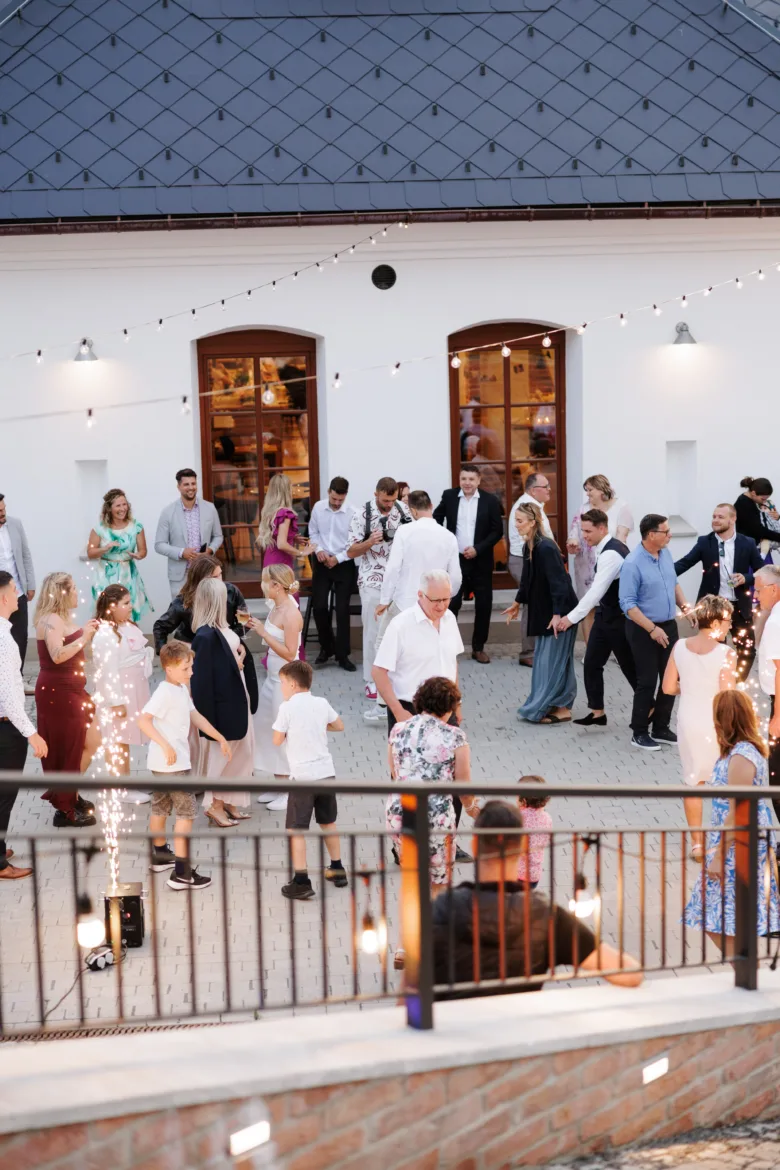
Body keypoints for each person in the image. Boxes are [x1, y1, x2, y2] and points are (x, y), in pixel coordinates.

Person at [432, 801, 642, 996]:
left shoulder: (441, 909)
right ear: (524, 845)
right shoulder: (545, 915)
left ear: (475, 845)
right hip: (519, 1021)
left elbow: (416, 988)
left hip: (456, 1021)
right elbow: (630, 973)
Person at [386, 677, 479, 964]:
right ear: (449, 707)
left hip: (401, 813)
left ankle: (404, 946)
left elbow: (395, 772)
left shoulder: (398, 729)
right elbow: (463, 785)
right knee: (439, 882)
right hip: (436, 816)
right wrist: (473, 809)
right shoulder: (455, 737)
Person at [683, 690, 780, 955]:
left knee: (714, 915)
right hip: (735, 842)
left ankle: (745, 968)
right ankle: (745, 968)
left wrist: (718, 857)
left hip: (739, 846)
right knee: (720, 916)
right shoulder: (739, 751)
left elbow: (738, 809)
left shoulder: (742, 756)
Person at [139, 640, 230, 891]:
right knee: (186, 814)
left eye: (191, 667)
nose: (191, 672)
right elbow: (143, 721)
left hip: (164, 765)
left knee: (160, 807)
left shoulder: (180, 688)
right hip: (172, 764)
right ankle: (182, 873)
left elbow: (195, 716)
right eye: (186, 668)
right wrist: (165, 745)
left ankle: (160, 855)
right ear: (169, 669)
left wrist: (220, 737)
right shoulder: (165, 692)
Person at [371, 489, 462, 723]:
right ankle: (439, 700)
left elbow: (393, 568)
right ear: (431, 506)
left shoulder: (405, 531)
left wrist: (384, 600)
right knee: (436, 652)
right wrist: (444, 600)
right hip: (435, 603)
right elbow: (456, 576)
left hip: (405, 602)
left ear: (411, 510)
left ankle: (384, 702)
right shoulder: (448, 536)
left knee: (386, 650)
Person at [662, 596, 736, 859]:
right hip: (717, 724)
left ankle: (697, 844)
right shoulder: (726, 654)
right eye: (727, 621)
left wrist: (689, 687)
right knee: (724, 782)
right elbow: (727, 696)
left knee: (693, 780)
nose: (730, 626)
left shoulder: (679, 646)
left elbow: (667, 687)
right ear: (715, 622)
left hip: (689, 720)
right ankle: (720, 841)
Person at [272, 659, 347, 900]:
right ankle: (337, 869)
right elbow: (339, 725)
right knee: (328, 822)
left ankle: (301, 880)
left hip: (302, 777)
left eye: (282, 683)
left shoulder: (287, 708)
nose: (281, 687)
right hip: (325, 773)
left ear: (293, 684)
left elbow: (276, 740)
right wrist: (319, 728)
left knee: (296, 829)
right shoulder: (321, 703)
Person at [619, 514, 695, 751]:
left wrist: (686, 608)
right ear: (651, 535)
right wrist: (652, 629)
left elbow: (673, 583)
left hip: (668, 626)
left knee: (671, 677)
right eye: (666, 531)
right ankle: (639, 732)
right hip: (643, 629)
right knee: (647, 680)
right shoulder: (632, 563)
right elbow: (627, 604)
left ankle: (661, 728)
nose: (670, 535)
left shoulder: (665, 554)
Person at [557, 509, 635, 727]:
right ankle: (597, 712)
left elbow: (595, 592)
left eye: (588, 531)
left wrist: (571, 618)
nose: (584, 536)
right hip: (604, 615)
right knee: (592, 662)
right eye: (582, 531)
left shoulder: (611, 553)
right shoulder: (606, 548)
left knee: (628, 665)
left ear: (602, 528)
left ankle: (650, 707)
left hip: (618, 617)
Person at [503, 503, 579, 724]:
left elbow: (560, 583)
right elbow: (527, 580)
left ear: (532, 522)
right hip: (546, 614)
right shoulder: (530, 546)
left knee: (553, 663)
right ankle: (557, 705)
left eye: (520, 521)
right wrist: (517, 602)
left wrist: (557, 615)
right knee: (551, 662)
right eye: (515, 520)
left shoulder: (546, 547)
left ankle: (557, 707)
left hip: (559, 615)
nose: (516, 525)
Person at [34, 572, 100, 827]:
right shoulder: (50, 619)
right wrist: (84, 637)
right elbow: (57, 655)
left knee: (92, 741)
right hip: (58, 694)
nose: (77, 592)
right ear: (61, 593)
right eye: (73, 589)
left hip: (75, 690)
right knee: (69, 747)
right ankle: (64, 809)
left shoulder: (62, 618)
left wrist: (88, 632)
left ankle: (67, 794)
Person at [674, 504, 764, 684]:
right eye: (714, 516)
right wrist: (659, 572)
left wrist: (746, 578)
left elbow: (761, 571)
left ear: (733, 519)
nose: (715, 520)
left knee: (747, 650)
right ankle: (716, 685)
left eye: (720, 517)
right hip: (713, 608)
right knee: (715, 649)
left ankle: (735, 685)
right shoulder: (704, 542)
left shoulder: (747, 542)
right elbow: (684, 563)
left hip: (739, 606)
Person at [191, 578, 255, 828]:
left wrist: (240, 656)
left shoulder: (222, 627)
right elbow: (202, 681)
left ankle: (230, 801)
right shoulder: (204, 636)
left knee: (244, 751)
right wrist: (209, 722)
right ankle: (215, 805)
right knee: (223, 755)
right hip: (224, 703)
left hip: (239, 695)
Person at [373, 570, 464, 733]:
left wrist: (457, 704)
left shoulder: (449, 618)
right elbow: (378, 671)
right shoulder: (400, 625)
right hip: (409, 710)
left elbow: (452, 662)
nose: (441, 606)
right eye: (435, 600)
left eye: (446, 599)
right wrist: (398, 711)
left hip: (445, 708)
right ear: (420, 595)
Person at [0, 571, 47, 879]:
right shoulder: (3, 640)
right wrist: (32, 733)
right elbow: (7, 695)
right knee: (4, 796)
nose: (18, 593)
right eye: (14, 588)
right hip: (6, 728)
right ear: (4, 597)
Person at [433, 465, 503, 665]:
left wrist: (478, 549)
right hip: (456, 560)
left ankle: (478, 648)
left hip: (481, 560)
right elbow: (436, 518)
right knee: (452, 603)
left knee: (483, 605)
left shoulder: (490, 501)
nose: (467, 483)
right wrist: (447, 541)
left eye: (471, 479)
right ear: (459, 479)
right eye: (464, 479)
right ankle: (448, 647)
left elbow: (497, 531)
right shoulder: (449, 496)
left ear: (479, 480)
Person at [347, 476, 410, 684]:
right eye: (385, 501)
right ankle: (371, 681)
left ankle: (396, 679)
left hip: (400, 582)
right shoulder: (361, 515)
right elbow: (350, 552)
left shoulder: (402, 510)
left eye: (392, 500)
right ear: (376, 494)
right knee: (373, 633)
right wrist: (370, 542)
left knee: (401, 632)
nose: (389, 505)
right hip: (372, 580)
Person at [250, 564, 303, 809]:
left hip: (286, 681)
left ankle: (291, 790)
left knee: (283, 734)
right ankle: (279, 781)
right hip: (272, 678)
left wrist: (263, 633)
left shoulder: (291, 613)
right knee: (266, 729)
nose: (262, 586)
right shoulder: (276, 606)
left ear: (277, 586)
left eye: (265, 582)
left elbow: (291, 653)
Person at [91, 584, 153, 778]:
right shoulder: (105, 634)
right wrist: (116, 702)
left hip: (133, 690)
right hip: (120, 694)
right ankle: (119, 786)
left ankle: (126, 783)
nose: (131, 606)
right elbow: (107, 671)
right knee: (117, 740)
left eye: (130, 601)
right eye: (126, 603)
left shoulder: (126, 626)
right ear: (112, 606)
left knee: (126, 738)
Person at [566, 476, 633, 642]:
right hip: (585, 566)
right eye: (586, 490)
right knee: (588, 605)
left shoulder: (621, 507)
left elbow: (621, 538)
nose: (587, 494)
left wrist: (615, 558)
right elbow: (574, 532)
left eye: (590, 490)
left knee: (612, 605)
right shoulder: (583, 509)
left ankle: (618, 646)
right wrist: (573, 542)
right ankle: (590, 648)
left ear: (602, 490)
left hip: (610, 563)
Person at [308, 476, 356, 675]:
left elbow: (354, 543)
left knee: (342, 609)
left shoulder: (353, 513)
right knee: (319, 606)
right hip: (322, 562)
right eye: (334, 499)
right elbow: (313, 533)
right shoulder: (318, 508)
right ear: (329, 492)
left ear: (346, 496)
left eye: (340, 500)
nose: (337, 503)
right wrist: (319, 550)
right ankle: (327, 648)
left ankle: (343, 655)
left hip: (344, 563)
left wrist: (338, 558)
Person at [507, 474, 553, 667]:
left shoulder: (533, 505)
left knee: (535, 603)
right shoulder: (526, 507)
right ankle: (528, 652)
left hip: (531, 558)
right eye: (546, 486)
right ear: (534, 490)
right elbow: (533, 539)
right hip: (525, 560)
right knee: (531, 603)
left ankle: (536, 649)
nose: (549, 489)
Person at [155, 469, 223, 599]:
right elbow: (159, 545)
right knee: (181, 609)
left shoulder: (210, 508)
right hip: (180, 575)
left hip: (206, 572)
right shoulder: (168, 512)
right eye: (186, 484)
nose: (191, 488)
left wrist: (210, 550)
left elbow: (218, 536)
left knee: (207, 608)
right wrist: (182, 552)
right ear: (179, 486)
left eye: (193, 483)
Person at [87, 489, 151, 622]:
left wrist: (139, 555)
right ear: (109, 508)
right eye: (118, 505)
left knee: (127, 609)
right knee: (106, 610)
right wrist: (105, 548)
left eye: (124, 504)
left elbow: (143, 550)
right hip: (105, 574)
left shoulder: (136, 527)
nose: (122, 509)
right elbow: (90, 553)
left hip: (128, 572)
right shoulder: (99, 529)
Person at [756, 564, 780, 825]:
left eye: (759, 590)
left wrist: (777, 717)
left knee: (777, 775)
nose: (755, 595)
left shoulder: (775, 622)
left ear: (774, 589)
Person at [0, 493, 35, 667]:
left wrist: (30, 584)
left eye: (4, 508)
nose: (3, 513)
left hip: (18, 591)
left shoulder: (15, 524)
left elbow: (25, 555)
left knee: (21, 636)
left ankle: (18, 674)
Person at [516, 776, 553, 890]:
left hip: (518, 874)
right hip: (534, 875)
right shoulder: (547, 818)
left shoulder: (519, 817)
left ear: (523, 801)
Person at [734, 476, 778, 549]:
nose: (764, 502)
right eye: (762, 499)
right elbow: (758, 530)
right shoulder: (744, 504)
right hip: (747, 548)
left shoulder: (750, 501)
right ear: (753, 493)